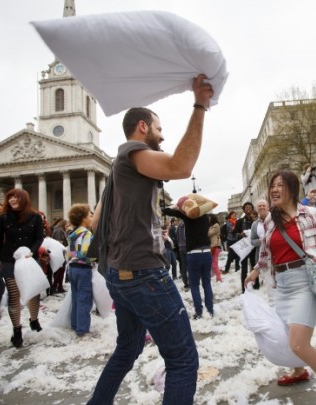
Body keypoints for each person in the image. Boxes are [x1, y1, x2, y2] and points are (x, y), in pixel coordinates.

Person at [87, 74, 213, 404]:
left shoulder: (118, 169)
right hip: (144, 274)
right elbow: (181, 165)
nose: (163, 134)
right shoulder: (133, 150)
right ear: (142, 127)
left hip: (119, 274)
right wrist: (200, 105)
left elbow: (95, 221)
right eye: (158, 128)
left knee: (126, 349)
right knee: (183, 360)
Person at [244, 171, 316, 404]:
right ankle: (299, 371)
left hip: (306, 281)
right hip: (282, 285)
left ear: (293, 189)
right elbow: (266, 251)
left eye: (280, 185)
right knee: (288, 335)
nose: (274, 190)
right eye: (272, 186)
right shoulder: (270, 219)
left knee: (298, 343)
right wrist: (256, 269)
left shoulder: (311, 214)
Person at [0, 188, 45, 348]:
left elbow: (39, 237)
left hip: (29, 257)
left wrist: (33, 251)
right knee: (14, 293)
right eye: (10, 197)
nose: (11, 200)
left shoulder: (36, 217)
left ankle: (34, 319)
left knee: (33, 291)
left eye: (15, 197)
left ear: (23, 199)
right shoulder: (4, 218)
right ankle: (17, 329)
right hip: (10, 258)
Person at [165, 207, 214, 319]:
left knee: (194, 285)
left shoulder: (187, 216)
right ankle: (210, 310)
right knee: (207, 283)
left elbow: (170, 212)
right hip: (206, 252)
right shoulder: (206, 217)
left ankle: (199, 312)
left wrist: (176, 207)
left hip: (193, 253)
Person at [66, 203, 95, 337]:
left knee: (76, 297)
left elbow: (69, 252)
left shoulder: (73, 233)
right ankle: (82, 329)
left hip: (73, 267)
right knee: (85, 298)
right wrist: (95, 256)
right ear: (83, 218)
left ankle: (75, 324)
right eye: (90, 215)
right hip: (83, 267)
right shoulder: (86, 233)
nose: (92, 217)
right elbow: (86, 252)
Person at [235, 202, 256, 293]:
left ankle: (256, 284)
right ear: (244, 210)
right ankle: (244, 287)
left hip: (254, 246)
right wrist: (241, 234)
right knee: (244, 267)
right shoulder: (239, 221)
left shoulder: (256, 221)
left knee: (255, 266)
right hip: (244, 246)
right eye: (246, 207)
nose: (248, 209)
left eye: (250, 207)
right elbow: (234, 233)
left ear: (252, 209)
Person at [208, 214, 223, 282]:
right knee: (213, 264)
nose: (208, 219)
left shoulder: (216, 225)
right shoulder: (211, 226)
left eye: (209, 218)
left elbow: (208, 234)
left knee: (214, 264)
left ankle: (219, 278)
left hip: (215, 246)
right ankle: (217, 277)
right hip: (213, 246)